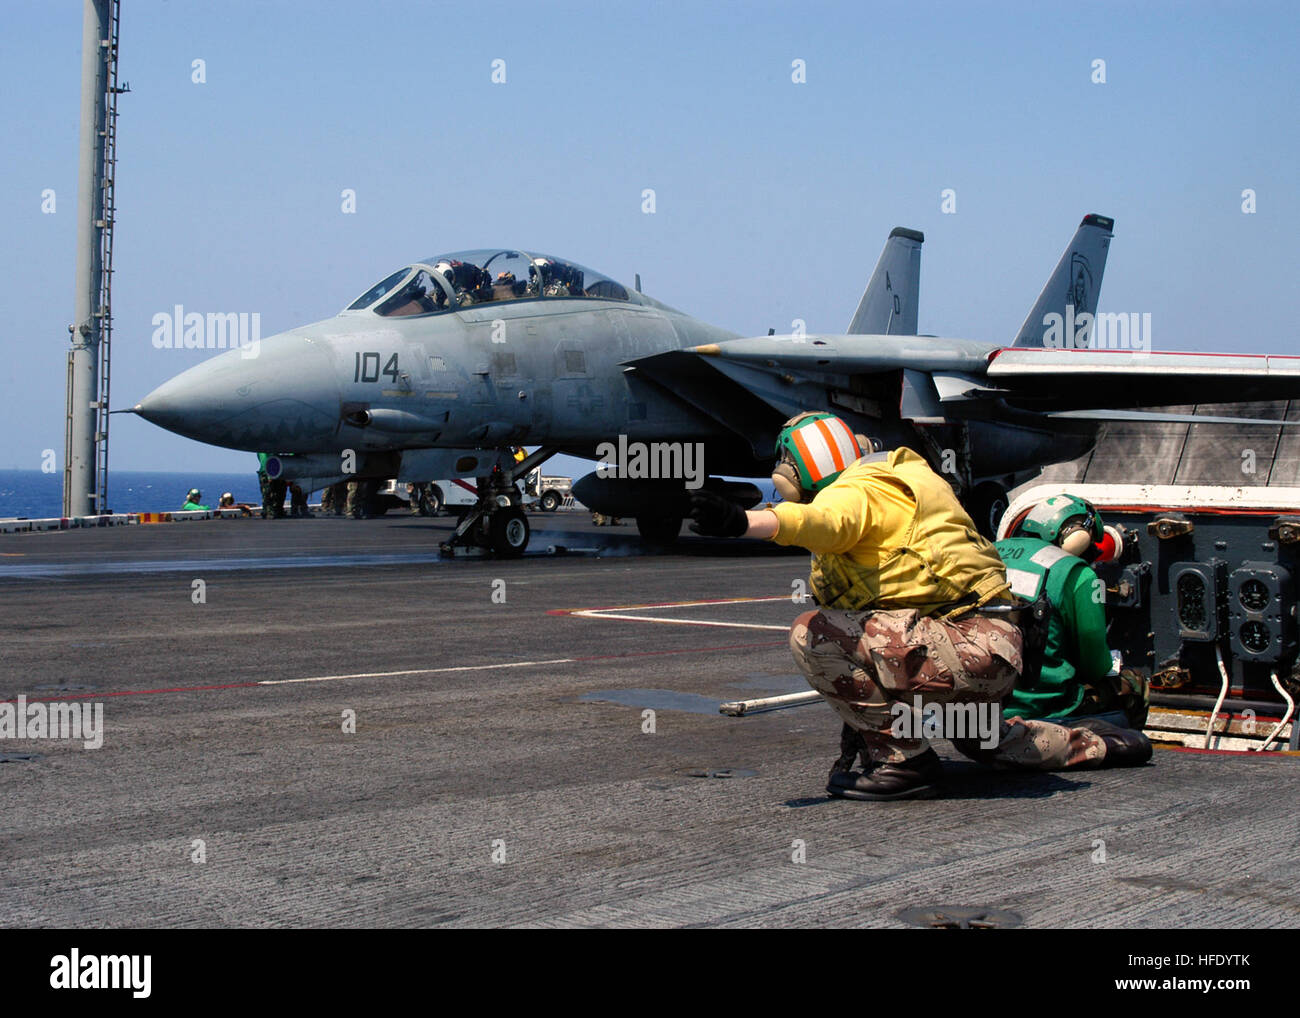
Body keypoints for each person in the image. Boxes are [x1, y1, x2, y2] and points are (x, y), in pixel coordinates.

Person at [689, 411, 1150, 801]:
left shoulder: (859, 490)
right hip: (989, 648)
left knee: (813, 632)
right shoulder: (902, 479)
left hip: (966, 647)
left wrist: (743, 522)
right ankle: (1102, 745)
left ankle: (905, 764)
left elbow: (823, 521)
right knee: (984, 741)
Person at [996, 494, 1150, 729]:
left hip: (983, 701)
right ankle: (1122, 746)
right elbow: (1095, 665)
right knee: (1135, 686)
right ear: (1077, 538)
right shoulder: (1077, 574)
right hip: (1041, 704)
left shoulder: (991, 551)